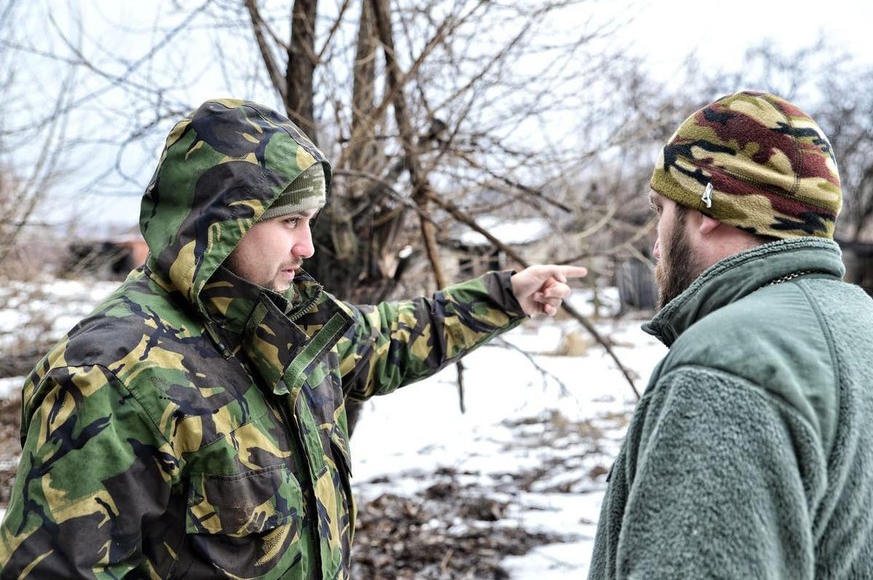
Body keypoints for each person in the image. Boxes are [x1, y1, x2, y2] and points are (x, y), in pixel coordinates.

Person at [0, 99, 586, 578]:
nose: (306, 247)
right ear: (219, 220)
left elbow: (384, 340)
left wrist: (506, 296)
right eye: (288, 222)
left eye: (309, 222)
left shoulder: (284, 324)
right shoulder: (116, 374)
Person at [589, 90, 873, 579]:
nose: (655, 245)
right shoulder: (858, 321)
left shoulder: (730, 364)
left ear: (710, 204)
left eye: (661, 210)